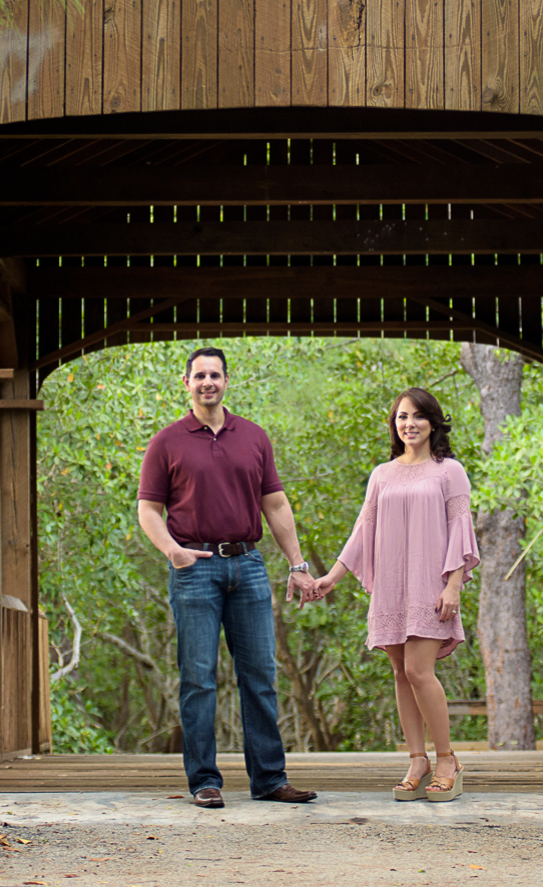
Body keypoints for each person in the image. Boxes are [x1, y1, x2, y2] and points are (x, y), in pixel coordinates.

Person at [136, 346, 320, 809]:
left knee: (260, 675)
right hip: (195, 569)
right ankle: (204, 781)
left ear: (226, 380)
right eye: (199, 376)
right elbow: (148, 510)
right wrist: (173, 552)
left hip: (249, 566)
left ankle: (269, 780)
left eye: (215, 375)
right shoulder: (167, 442)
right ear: (186, 383)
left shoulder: (254, 437)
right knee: (198, 678)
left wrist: (297, 565)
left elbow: (275, 505)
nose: (207, 383)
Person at [310, 386, 479, 802]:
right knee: (402, 674)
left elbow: (461, 529)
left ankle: (446, 759)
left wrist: (454, 584)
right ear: (394, 424)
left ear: (433, 422)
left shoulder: (448, 470)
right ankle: (416, 758)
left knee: (421, 672)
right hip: (390, 588)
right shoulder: (382, 474)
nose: (410, 424)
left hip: (430, 586)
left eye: (418, 416)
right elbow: (363, 529)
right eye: (402, 417)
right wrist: (332, 576)